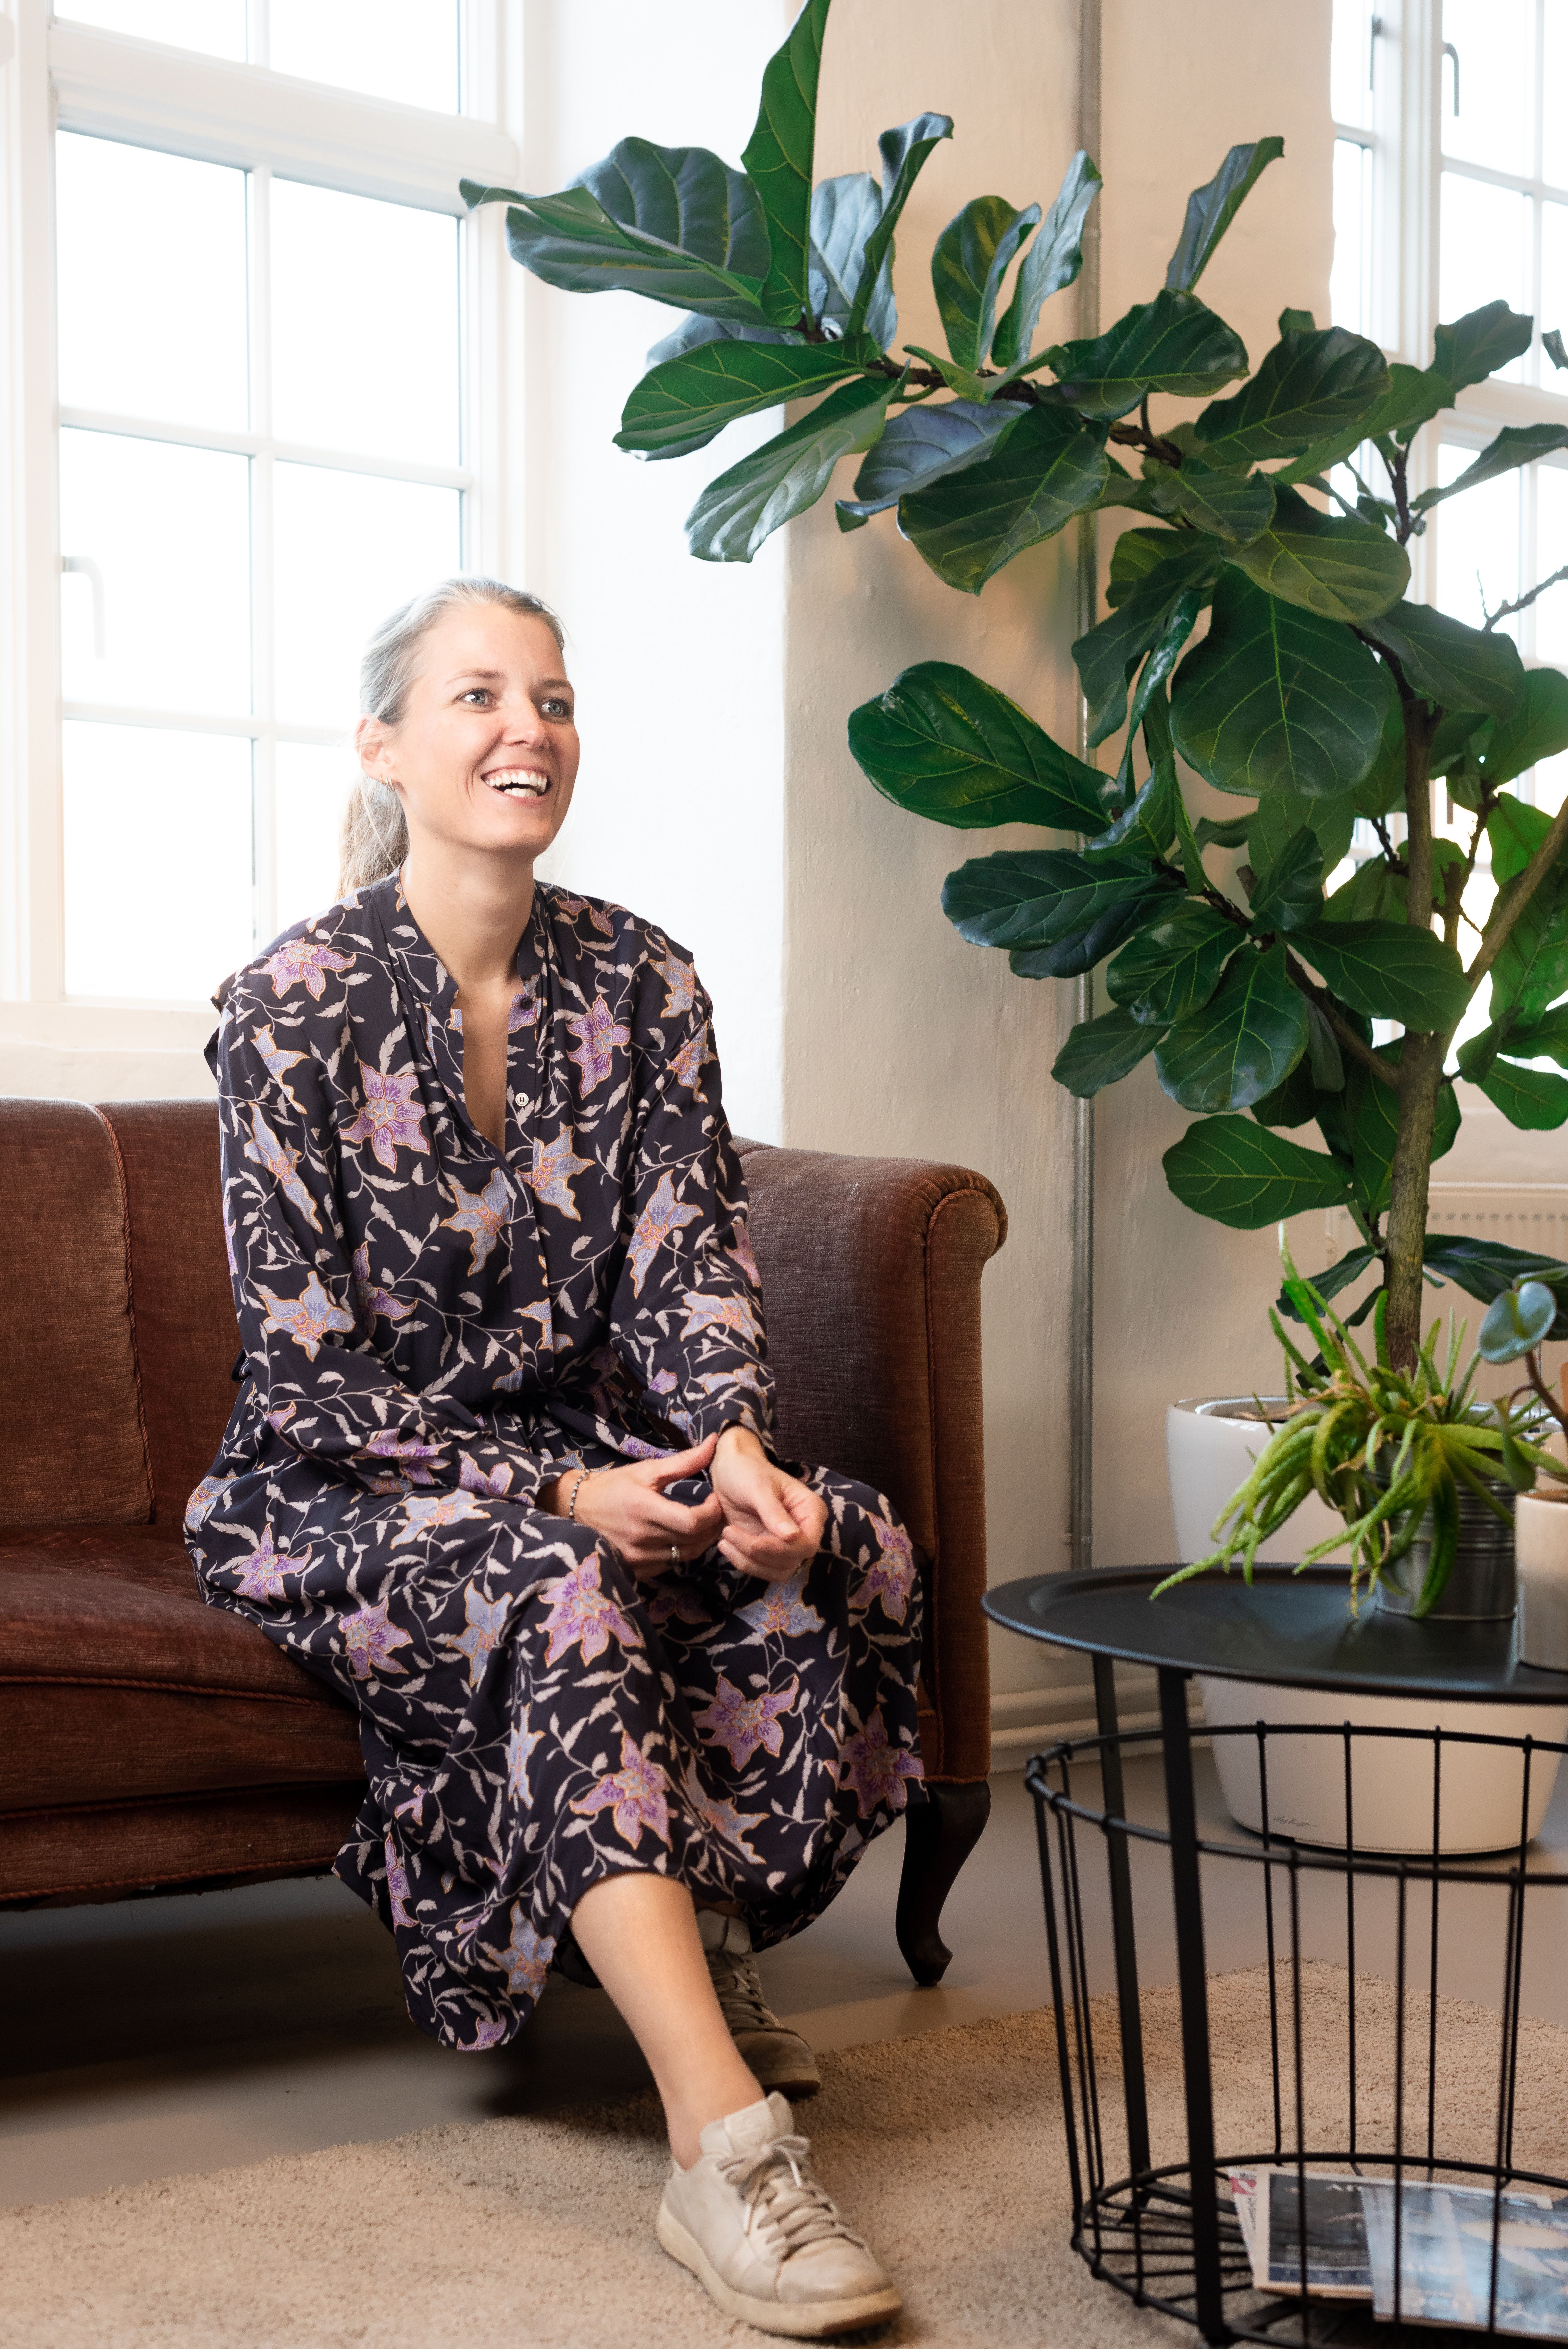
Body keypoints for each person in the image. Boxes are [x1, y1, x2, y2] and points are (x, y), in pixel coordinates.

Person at [187, 577, 924, 2337]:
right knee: (559, 1574)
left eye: (557, 697)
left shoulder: (648, 977)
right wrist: (554, 1495)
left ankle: (705, 1930)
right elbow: (302, 1368)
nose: (531, 725)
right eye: (479, 696)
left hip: (596, 1453)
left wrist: (728, 1451)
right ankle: (723, 2148)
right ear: (387, 743)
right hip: (333, 1485)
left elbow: (690, 1262)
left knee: (844, 1537)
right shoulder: (286, 1002)